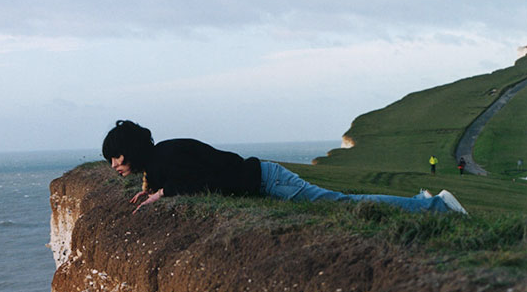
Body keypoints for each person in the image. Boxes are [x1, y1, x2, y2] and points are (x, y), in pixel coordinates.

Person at [102, 121, 467, 216]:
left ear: (131, 151)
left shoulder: (166, 156)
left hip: (271, 181)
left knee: (341, 204)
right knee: (341, 203)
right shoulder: (161, 158)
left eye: (117, 157)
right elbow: (176, 177)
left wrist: (163, 192)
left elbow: (198, 180)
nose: (115, 165)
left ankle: (434, 206)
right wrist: (152, 191)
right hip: (266, 179)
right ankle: (423, 201)